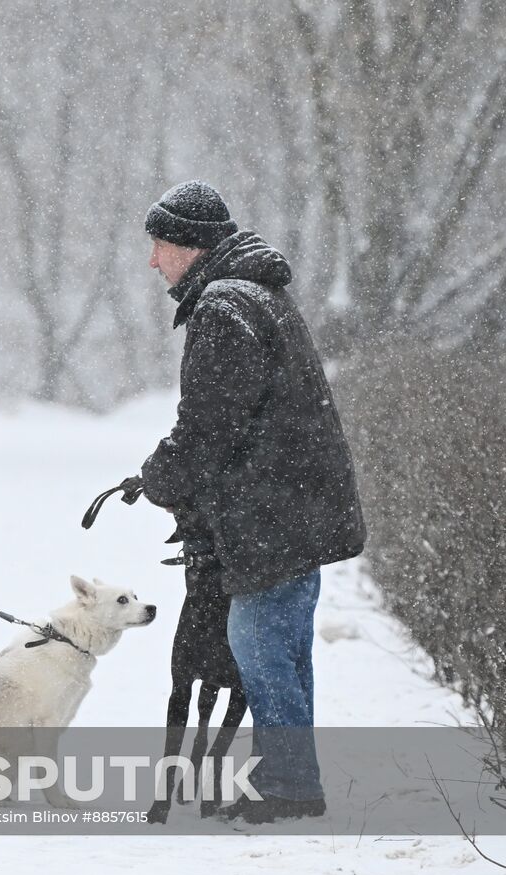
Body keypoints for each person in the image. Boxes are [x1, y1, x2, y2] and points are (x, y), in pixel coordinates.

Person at [139, 180, 366, 824]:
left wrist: (162, 476)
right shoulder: (256, 294)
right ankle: (294, 779)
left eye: (159, 245)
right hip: (298, 504)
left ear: (189, 245)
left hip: (273, 512)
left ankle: (290, 788)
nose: (153, 260)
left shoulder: (224, 307)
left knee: (260, 645)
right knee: (284, 648)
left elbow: (211, 422)